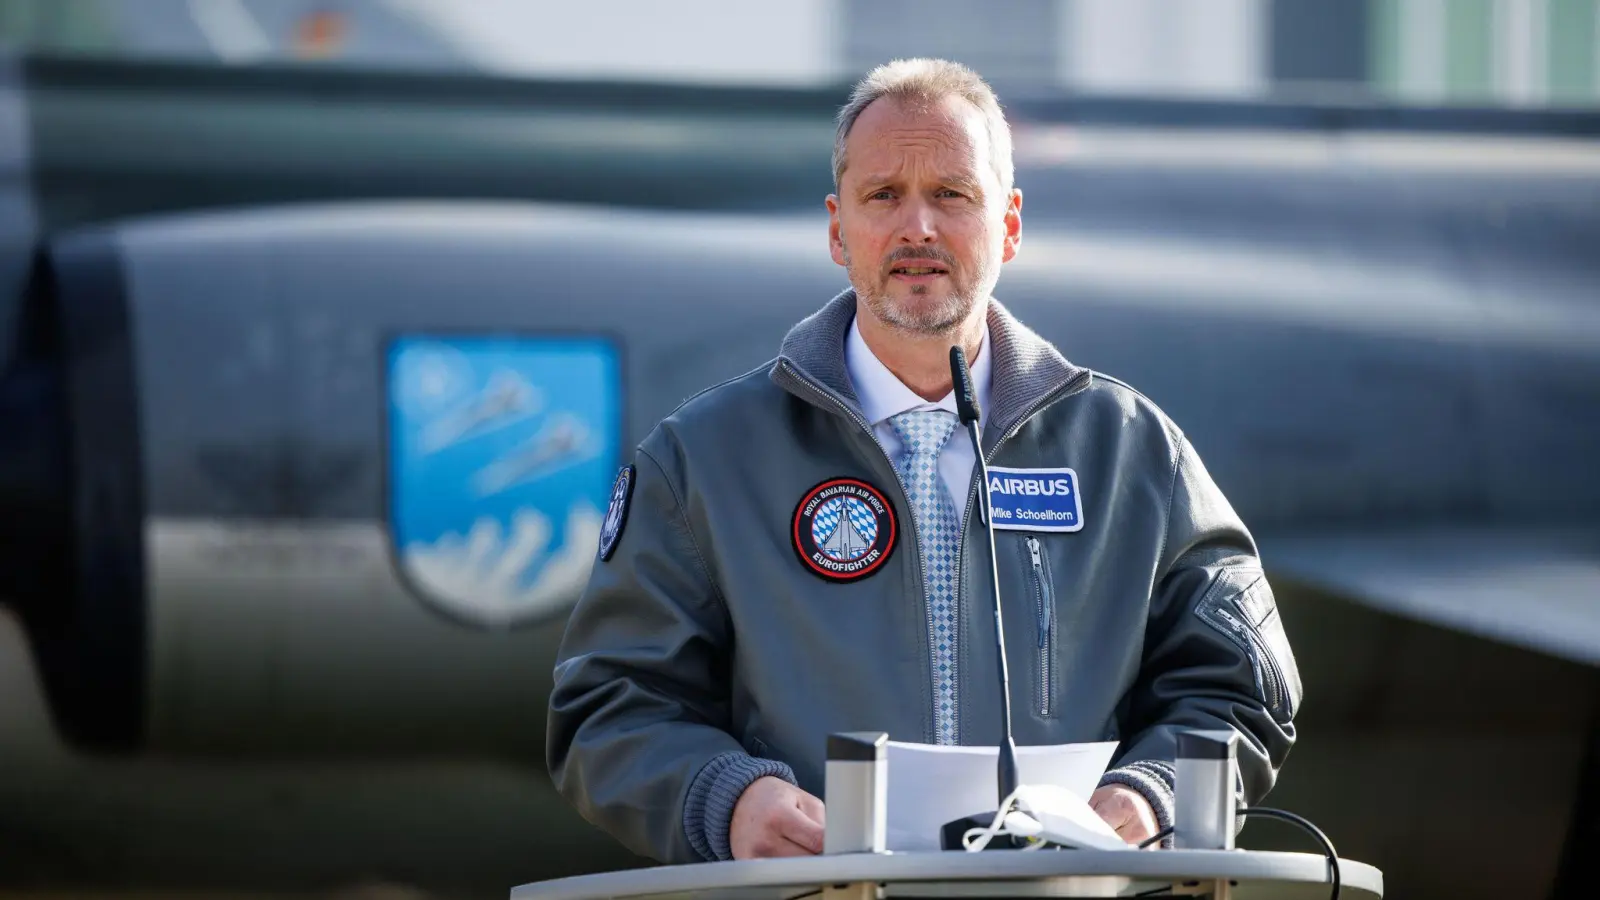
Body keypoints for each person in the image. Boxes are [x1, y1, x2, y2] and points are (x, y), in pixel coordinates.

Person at [546, 58, 1301, 864]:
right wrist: (724, 800)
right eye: (884, 196)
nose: (918, 228)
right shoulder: (704, 461)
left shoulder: (1132, 453)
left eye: (952, 194)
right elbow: (610, 708)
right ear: (838, 230)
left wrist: (1153, 792)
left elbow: (1239, 688)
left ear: (1008, 224)